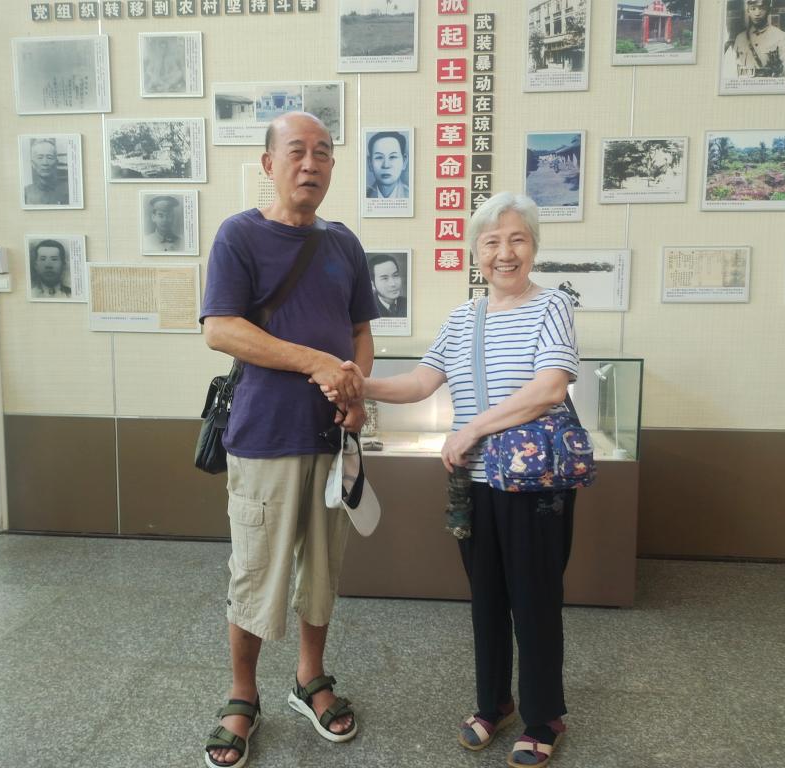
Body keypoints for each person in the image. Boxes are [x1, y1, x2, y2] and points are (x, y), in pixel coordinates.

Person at [322, 192, 580, 768]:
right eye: (492, 242)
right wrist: (359, 383)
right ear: (475, 253)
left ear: (534, 247)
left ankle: (544, 717)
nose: (504, 253)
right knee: (486, 597)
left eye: (517, 239)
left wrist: (471, 430)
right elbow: (421, 382)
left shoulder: (552, 306)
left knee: (535, 601)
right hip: (475, 483)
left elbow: (550, 387)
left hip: (535, 486)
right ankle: (495, 703)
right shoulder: (464, 318)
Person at [199, 112, 378, 768]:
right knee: (255, 571)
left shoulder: (344, 244)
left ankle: (309, 678)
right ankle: (242, 694)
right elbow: (220, 329)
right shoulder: (239, 235)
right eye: (297, 151)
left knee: (322, 570)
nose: (311, 163)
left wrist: (354, 388)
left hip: (331, 440)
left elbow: (360, 331)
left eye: (323, 153)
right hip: (264, 436)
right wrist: (316, 363)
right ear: (268, 163)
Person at [731, 0, 785, 78]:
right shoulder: (740, 38)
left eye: (761, 8)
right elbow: (732, 69)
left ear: (769, 10)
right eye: (753, 8)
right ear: (748, 11)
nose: (757, 13)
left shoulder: (780, 36)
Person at [24, 138, 69, 206]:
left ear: (56, 162)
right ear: (32, 163)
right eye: (40, 157)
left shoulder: (68, 190)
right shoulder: (26, 193)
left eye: (49, 157)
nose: (45, 163)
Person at [365, 131, 409, 199]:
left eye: (392, 157)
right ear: (370, 163)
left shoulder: (410, 195)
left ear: (404, 161)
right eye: (379, 157)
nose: (386, 165)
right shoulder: (364, 196)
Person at [368, 253, 406, 317]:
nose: (393, 284)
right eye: (384, 278)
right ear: (372, 285)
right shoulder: (368, 309)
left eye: (395, 275)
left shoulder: (407, 303)